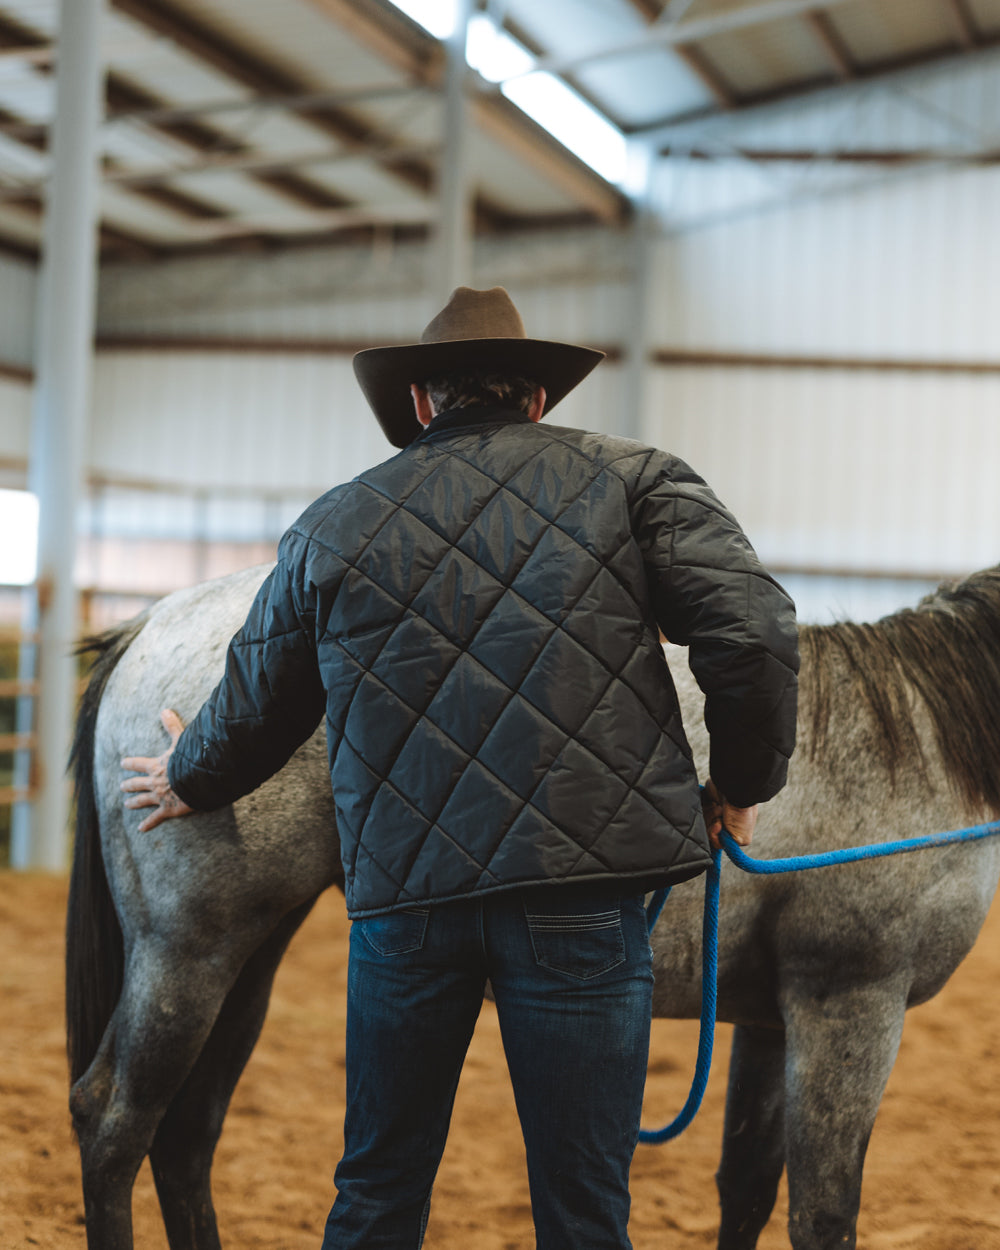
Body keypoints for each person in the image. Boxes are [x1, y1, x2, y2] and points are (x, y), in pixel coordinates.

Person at [121, 286, 798, 1249]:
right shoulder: (638, 481)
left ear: (421, 402)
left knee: (377, 1189)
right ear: (537, 398)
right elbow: (755, 630)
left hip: (408, 903)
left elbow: (260, 700)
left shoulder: (334, 522)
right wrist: (741, 786)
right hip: (580, 894)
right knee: (585, 1205)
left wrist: (188, 774)